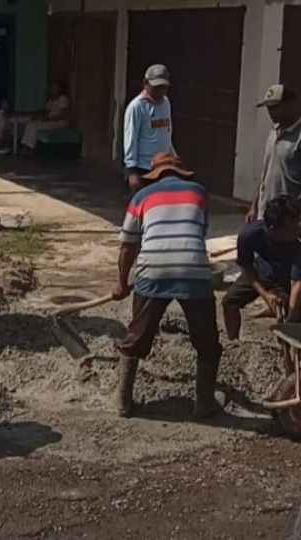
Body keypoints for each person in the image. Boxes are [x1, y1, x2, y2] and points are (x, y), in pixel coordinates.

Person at [113, 153, 222, 419]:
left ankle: (123, 402)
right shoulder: (199, 192)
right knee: (207, 341)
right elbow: (199, 231)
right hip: (193, 270)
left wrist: (121, 283)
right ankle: (204, 403)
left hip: (153, 269)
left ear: (155, 175)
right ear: (180, 172)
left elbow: (128, 246)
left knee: (136, 337)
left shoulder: (141, 197)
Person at [223, 196, 301, 340]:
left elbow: (297, 283)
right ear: (273, 229)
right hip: (260, 271)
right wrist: (265, 295)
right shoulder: (249, 235)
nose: (298, 228)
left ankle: (291, 347)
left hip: (287, 275)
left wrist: (290, 320)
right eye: (292, 227)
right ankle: (234, 342)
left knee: (294, 315)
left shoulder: (298, 240)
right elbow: (246, 266)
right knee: (229, 301)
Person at [247, 85, 301, 222]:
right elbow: (265, 174)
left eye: (275, 107)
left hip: (287, 220)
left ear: (290, 104)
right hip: (264, 214)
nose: (271, 112)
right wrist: (254, 206)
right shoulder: (273, 132)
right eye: (268, 108)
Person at [123, 64, 175, 192]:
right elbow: (130, 139)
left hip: (164, 166)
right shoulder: (137, 107)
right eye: (157, 87)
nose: (160, 91)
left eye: (163, 87)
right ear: (145, 83)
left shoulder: (166, 103)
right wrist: (132, 171)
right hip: (144, 168)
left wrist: (173, 157)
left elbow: (166, 133)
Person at [20, 82, 70, 153]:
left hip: (59, 122)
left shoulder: (63, 98)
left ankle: (29, 149)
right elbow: (46, 113)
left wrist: (48, 119)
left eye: (55, 88)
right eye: (52, 88)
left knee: (34, 126)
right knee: (30, 123)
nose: (53, 90)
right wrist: (38, 117)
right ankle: (26, 147)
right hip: (50, 121)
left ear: (60, 89)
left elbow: (63, 115)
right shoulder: (51, 100)